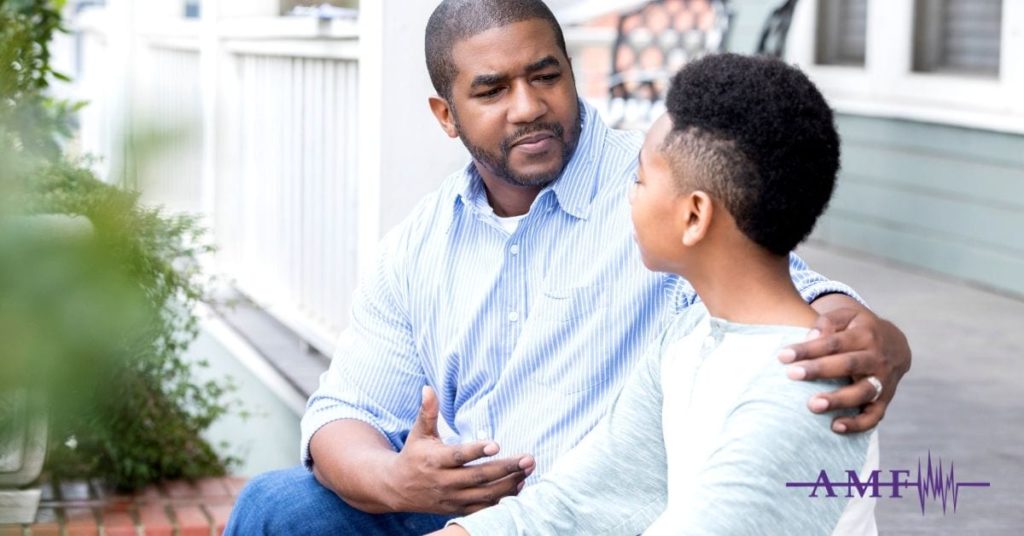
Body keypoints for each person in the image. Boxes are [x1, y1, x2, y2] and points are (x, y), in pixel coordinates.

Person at [224, 1, 910, 534]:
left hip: (604, 506)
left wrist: (867, 333)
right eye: (492, 90)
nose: (529, 107)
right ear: (446, 114)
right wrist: (397, 479)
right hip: (468, 503)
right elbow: (345, 408)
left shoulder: (656, 197)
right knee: (278, 507)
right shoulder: (418, 244)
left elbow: (775, 287)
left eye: (546, 75)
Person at [433, 53, 880, 536]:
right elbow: (580, 500)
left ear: (693, 217)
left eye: (640, 179)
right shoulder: (689, 336)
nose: (629, 195)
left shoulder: (801, 391)